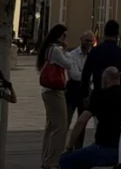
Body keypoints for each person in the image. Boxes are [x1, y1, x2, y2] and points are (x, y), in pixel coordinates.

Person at [60, 66, 121, 169]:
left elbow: (81, 121)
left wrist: (69, 146)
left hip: (104, 147)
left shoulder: (100, 95)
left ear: (105, 79)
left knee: (65, 159)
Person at [35, 24, 77, 169]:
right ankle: (52, 161)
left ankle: (46, 159)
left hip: (48, 90)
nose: (66, 39)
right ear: (59, 36)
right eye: (64, 36)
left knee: (51, 126)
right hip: (54, 91)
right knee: (61, 126)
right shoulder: (55, 50)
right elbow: (69, 63)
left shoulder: (49, 49)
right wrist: (66, 49)